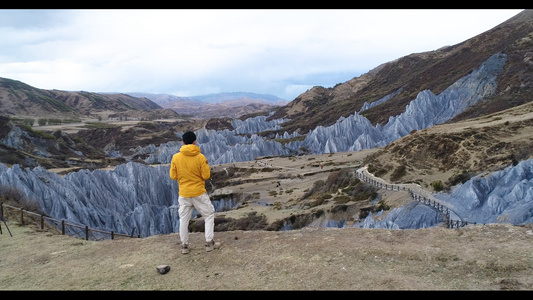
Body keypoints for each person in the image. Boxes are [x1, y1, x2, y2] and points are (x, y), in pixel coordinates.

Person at [169, 131, 220, 254]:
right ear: (195, 141)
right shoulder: (200, 157)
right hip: (198, 193)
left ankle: (184, 246)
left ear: (183, 142)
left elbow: (173, 176)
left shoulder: (176, 157)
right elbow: (206, 175)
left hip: (184, 194)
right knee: (208, 215)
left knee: (183, 220)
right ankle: (209, 243)